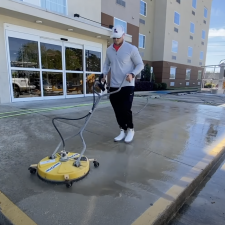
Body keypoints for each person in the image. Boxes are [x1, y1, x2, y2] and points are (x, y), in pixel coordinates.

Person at [102, 25, 144, 143]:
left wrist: (132, 73)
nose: (116, 40)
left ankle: (130, 129)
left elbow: (140, 64)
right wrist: (103, 74)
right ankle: (122, 130)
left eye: (118, 38)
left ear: (123, 35)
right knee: (117, 110)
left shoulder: (131, 49)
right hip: (114, 85)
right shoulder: (109, 50)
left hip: (127, 85)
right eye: (114, 38)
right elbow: (106, 65)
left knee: (126, 109)